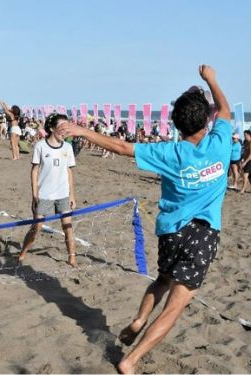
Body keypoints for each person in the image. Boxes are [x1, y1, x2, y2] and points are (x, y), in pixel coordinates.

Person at [59, 65, 231, 374]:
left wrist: (82, 131)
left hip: (170, 233)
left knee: (163, 280)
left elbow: (123, 147)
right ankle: (130, 360)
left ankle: (139, 319)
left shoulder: (169, 151)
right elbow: (225, 108)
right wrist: (212, 80)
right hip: (203, 235)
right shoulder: (219, 142)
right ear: (208, 119)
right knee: (175, 306)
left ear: (176, 126)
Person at [18, 113, 77, 268]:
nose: (65, 131)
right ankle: (23, 252)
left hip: (63, 194)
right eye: (62, 127)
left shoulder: (68, 147)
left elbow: (69, 171)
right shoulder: (40, 146)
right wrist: (34, 194)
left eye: (67, 127)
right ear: (51, 128)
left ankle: (72, 258)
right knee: (36, 227)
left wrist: (72, 195)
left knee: (68, 227)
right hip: (44, 194)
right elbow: (34, 170)